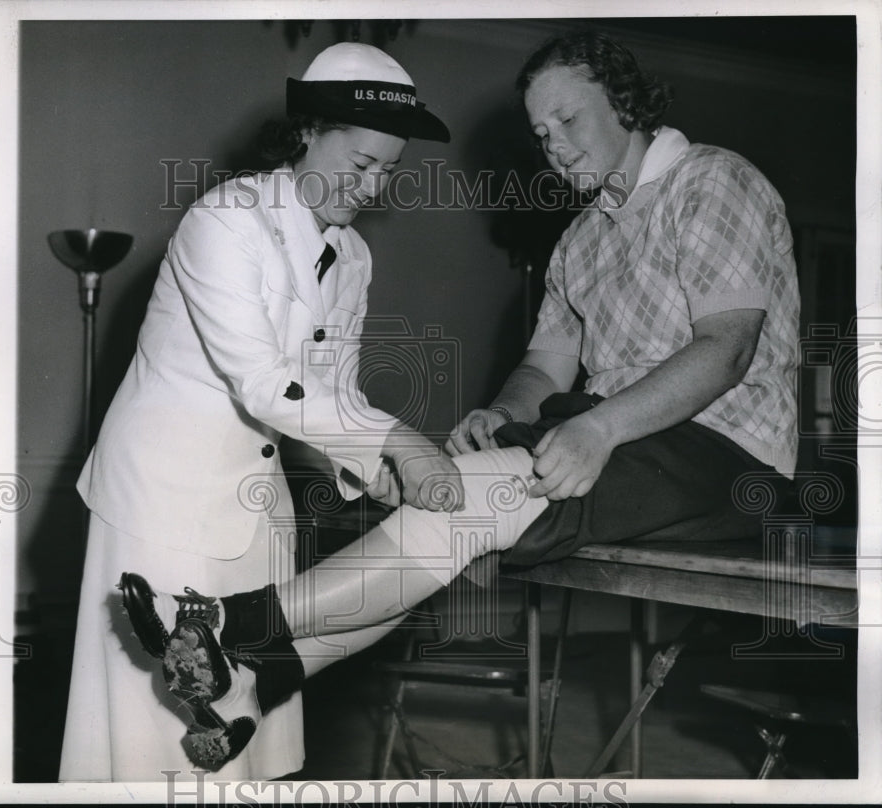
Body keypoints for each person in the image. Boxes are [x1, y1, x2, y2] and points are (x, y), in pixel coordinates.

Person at [116, 29, 800, 771]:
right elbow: (544, 365)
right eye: (541, 133)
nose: (554, 145)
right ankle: (255, 683)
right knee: (444, 512)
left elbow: (727, 348)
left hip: (729, 454)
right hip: (630, 445)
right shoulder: (580, 239)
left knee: (466, 502)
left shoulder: (712, 180)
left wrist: (598, 429)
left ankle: (225, 623)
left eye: (569, 120)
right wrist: (503, 416)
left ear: (625, 103)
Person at [58, 42, 459, 782]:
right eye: (361, 163)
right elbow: (264, 383)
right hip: (164, 501)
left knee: (240, 735)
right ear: (308, 131)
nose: (371, 187)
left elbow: (334, 395)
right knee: (154, 744)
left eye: (388, 173)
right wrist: (399, 442)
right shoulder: (227, 220)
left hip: (258, 512)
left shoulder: (355, 258)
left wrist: (379, 475)